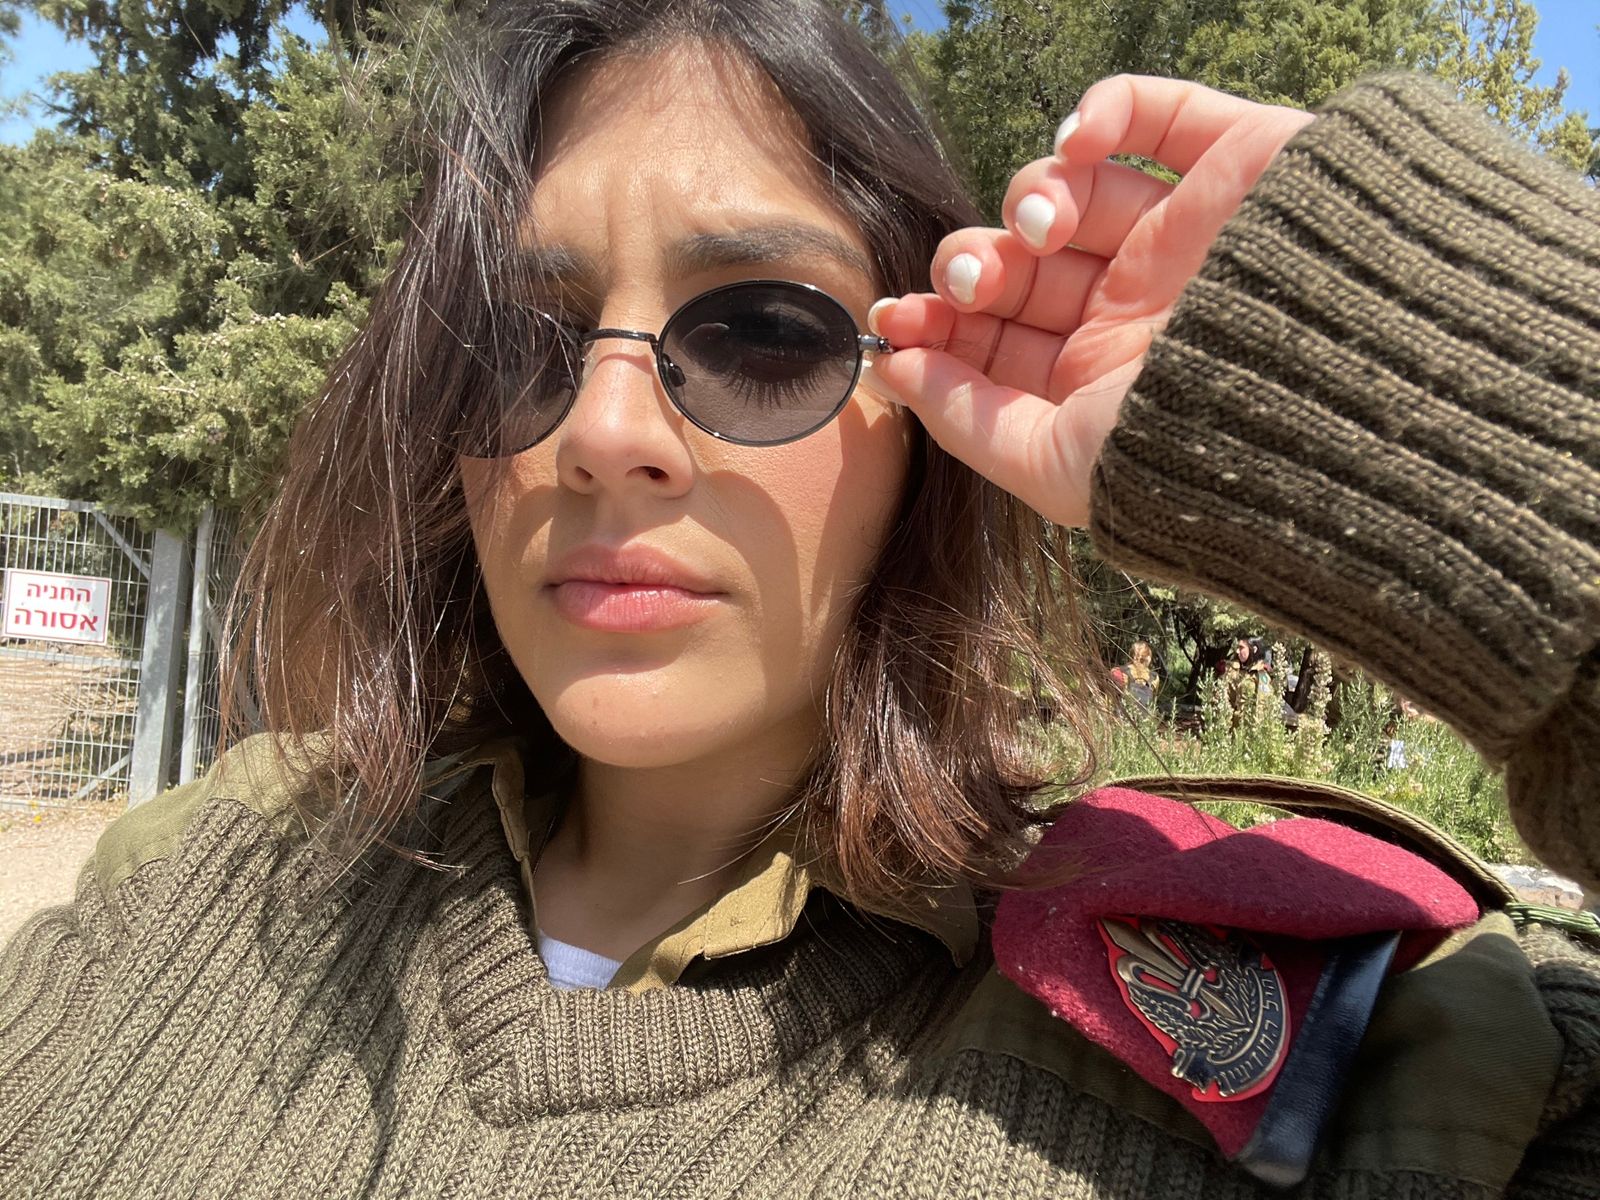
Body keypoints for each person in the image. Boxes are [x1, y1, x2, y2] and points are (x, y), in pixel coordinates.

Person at [2, 1, 1596, 1195]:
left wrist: (1432, 386)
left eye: (762, 336)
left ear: (926, 426)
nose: (601, 433)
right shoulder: (215, 878)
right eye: (521, 343)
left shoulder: (1289, 1035)